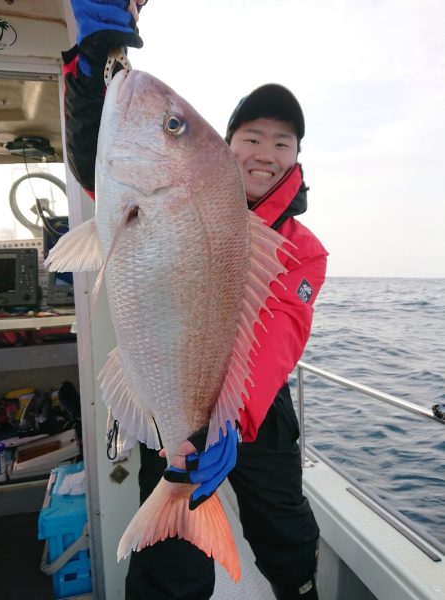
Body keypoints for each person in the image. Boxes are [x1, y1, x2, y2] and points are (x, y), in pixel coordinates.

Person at [63, 2, 328, 599]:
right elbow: (92, 153)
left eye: (282, 142)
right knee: (170, 565)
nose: (266, 151)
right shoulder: (160, 191)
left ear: (296, 156)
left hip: (250, 408)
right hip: (169, 387)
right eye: (251, 136)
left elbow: (281, 332)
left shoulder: (303, 248)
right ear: (225, 148)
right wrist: (92, 60)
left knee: (285, 530)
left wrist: (228, 419)